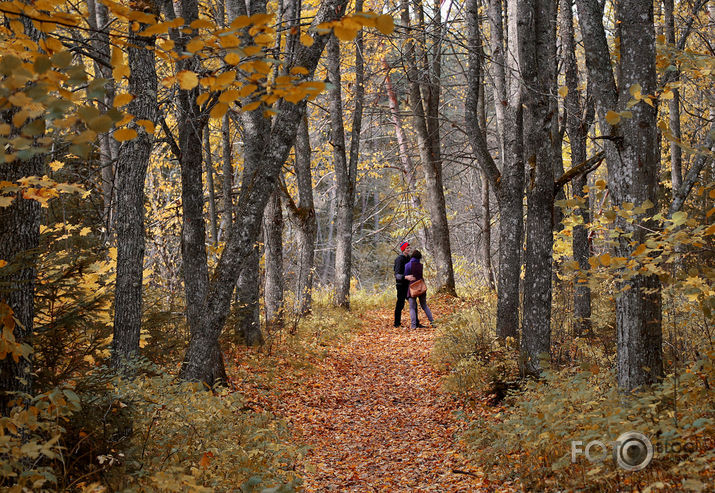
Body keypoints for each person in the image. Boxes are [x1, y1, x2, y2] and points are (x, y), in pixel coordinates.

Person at [404, 249, 434, 329]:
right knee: (424, 305)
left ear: (412, 256)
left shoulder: (408, 265)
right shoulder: (420, 265)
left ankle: (413, 326)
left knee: (412, 308)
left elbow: (406, 276)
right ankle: (433, 322)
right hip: (421, 287)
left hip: (412, 288)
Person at [393, 241, 419, 328]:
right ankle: (397, 324)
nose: (408, 250)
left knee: (414, 303)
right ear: (403, 249)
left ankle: (416, 324)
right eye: (407, 248)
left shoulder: (409, 258)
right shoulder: (399, 259)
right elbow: (397, 275)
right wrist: (406, 277)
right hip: (401, 285)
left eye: (409, 248)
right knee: (400, 304)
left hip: (409, 285)